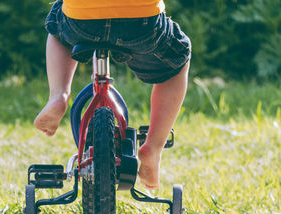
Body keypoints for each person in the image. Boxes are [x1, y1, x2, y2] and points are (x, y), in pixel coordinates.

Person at [34, 0, 191, 190]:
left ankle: (59, 94)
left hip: (81, 20)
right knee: (178, 60)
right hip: (141, 24)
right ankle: (153, 146)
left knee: (56, 27)